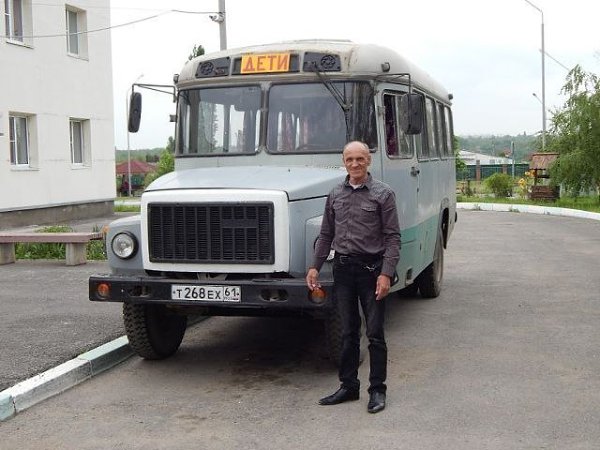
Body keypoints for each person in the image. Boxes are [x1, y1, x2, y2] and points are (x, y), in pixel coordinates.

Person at [306, 141, 401, 414]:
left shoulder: (383, 194)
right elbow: (326, 234)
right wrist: (315, 267)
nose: (355, 164)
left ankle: (377, 390)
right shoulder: (335, 194)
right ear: (344, 162)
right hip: (344, 270)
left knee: (375, 334)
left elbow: (393, 238)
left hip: (372, 272)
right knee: (347, 332)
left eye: (360, 159)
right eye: (350, 159)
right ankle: (348, 386)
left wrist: (386, 273)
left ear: (368, 161)